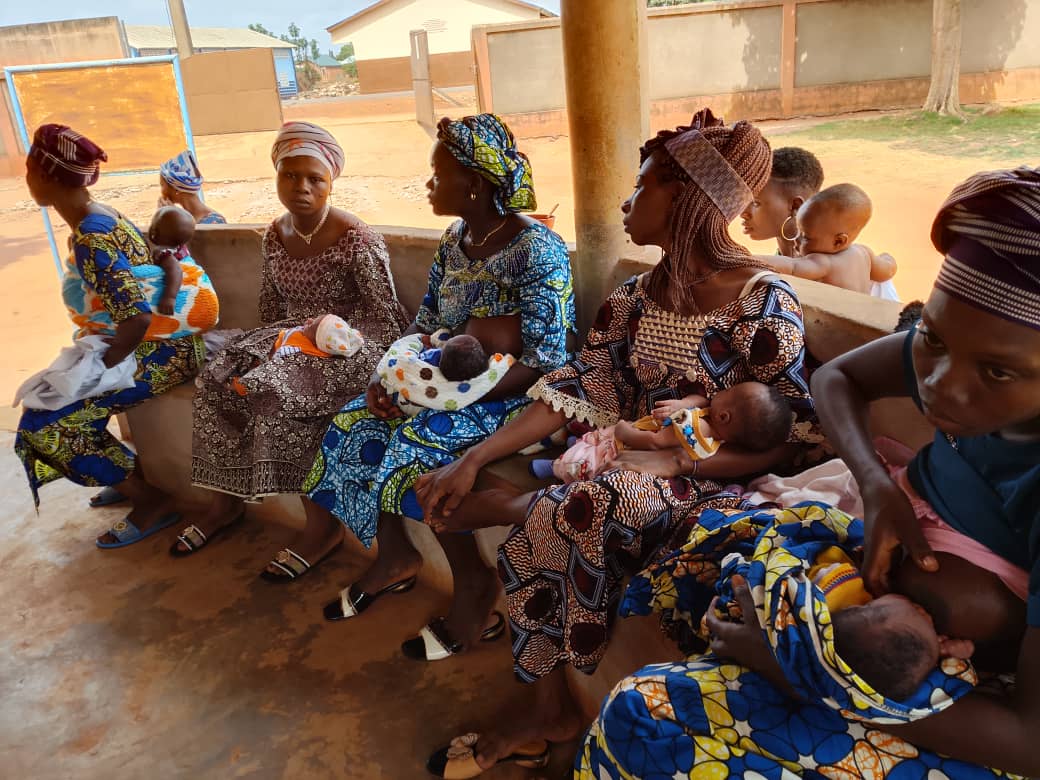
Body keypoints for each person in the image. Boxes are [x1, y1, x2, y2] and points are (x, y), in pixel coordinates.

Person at [578, 166, 1040, 779]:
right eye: (931, 338)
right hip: (857, 617)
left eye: (998, 373)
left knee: (644, 717)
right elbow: (837, 378)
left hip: (935, 698)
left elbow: (1032, 742)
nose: (938, 386)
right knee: (680, 577)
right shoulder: (971, 344)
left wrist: (799, 670)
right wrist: (874, 483)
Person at [415, 109, 819, 778]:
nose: (627, 203)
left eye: (643, 186)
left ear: (685, 199)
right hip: (626, 462)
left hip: (718, 481)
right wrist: (472, 458)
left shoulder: (761, 302)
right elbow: (571, 386)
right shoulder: (632, 299)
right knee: (568, 514)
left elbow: (791, 434)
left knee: (588, 503)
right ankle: (550, 705)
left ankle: (548, 694)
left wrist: (683, 460)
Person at [301, 114, 574, 660]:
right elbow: (425, 321)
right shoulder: (455, 240)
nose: (428, 184)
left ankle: (472, 583)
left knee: (414, 448)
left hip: (510, 393)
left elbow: (548, 360)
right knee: (351, 424)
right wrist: (390, 378)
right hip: (437, 381)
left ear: (472, 183)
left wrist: (451, 395)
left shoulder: (537, 250)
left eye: (437, 174)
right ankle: (395, 557)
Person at [178, 121, 408, 580]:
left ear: (331, 182)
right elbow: (271, 308)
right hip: (293, 337)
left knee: (279, 393)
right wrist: (274, 346)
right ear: (277, 176)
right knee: (219, 378)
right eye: (290, 175)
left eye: (314, 179)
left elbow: (387, 320)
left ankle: (320, 529)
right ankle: (224, 502)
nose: (302, 187)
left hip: (350, 346)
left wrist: (319, 343)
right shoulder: (275, 233)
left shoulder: (356, 237)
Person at [15, 124, 210, 547]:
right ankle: (129, 478)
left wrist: (95, 371)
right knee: (58, 403)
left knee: (42, 423)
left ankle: (151, 500)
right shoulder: (102, 214)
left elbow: (136, 320)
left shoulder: (92, 238)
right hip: (165, 344)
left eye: (28, 169)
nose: (25, 178)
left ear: (45, 175)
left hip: (162, 354)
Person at [529, 382, 792, 484]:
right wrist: (684, 404)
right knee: (599, 437)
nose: (720, 391)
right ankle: (579, 442)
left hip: (633, 444)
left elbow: (655, 443)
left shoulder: (696, 432)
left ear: (725, 416)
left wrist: (625, 430)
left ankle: (555, 467)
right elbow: (699, 401)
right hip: (636, 434)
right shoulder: (714, 421)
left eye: (728, 392)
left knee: (588, 461)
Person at [756, 183, 898, 295]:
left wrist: (749, 258)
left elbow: (792, 267)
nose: (796, 240)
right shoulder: (865, 253)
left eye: (806, 237)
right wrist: (888, 258)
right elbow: (887, 272)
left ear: (838, 241)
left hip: (840, 323)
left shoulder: (823, 262)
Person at [227, 314, 364, 396]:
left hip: (264, 365)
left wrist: (241, 384)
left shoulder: (295, 352)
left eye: (311, 325)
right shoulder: (309, 337)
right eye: (314, 319)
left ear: (317, 341)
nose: (309, 320)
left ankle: (237, 385)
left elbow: (271, 371)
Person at [739, 146, 823, 258]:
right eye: (744, 200)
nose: (743, 213)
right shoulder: (777, 263)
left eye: (755, 203)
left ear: (795, 206)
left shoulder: (831, 265)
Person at [147, 205, 195, 314]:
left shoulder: (165, 255)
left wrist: (169, 297)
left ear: (154, 232)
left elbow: (176, 271)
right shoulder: (180, 248)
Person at [158, 149, 226, 225]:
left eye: (162, 185)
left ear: (176, 189)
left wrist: (172, 220)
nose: (161, 191)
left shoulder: (214, 221)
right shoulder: (184, 217)